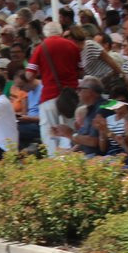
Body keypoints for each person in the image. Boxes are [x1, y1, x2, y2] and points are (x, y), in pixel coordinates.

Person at [25, 25, 80, 157]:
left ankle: (53, 161)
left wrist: (43, 72)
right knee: (69, 130)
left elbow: (29, 75)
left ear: (45, 34)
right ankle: (69, 159)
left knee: (50, 132)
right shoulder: (72, 46)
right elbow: (81, 70)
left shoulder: (41, 47)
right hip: (70, 96)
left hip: (49, 95)